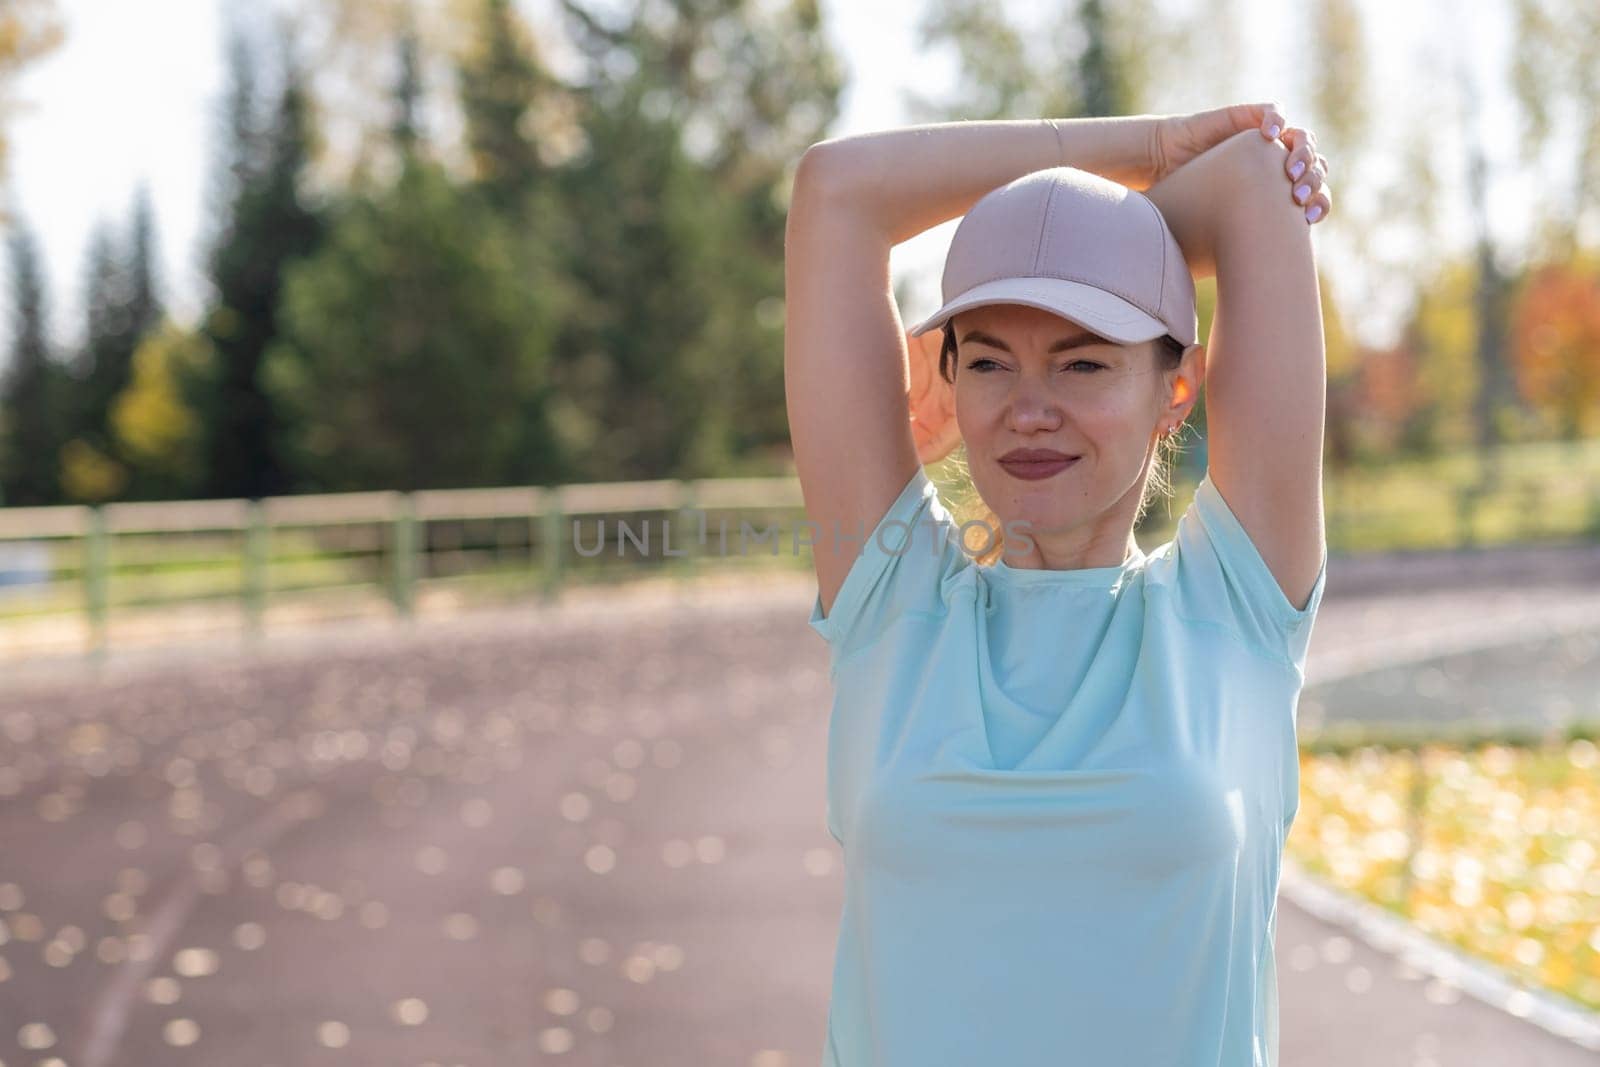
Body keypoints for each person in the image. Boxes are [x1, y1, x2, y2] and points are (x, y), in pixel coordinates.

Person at [784, 104, 1333, 1067]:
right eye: (990, 362)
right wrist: (1148, 160)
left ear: (1176, 390)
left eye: (1082, 361)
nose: (1030, 411)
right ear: (947, 386)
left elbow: (1251, 183)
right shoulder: (896, 604)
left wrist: (1109, 234)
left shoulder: (1234, 606)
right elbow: (836, 195)